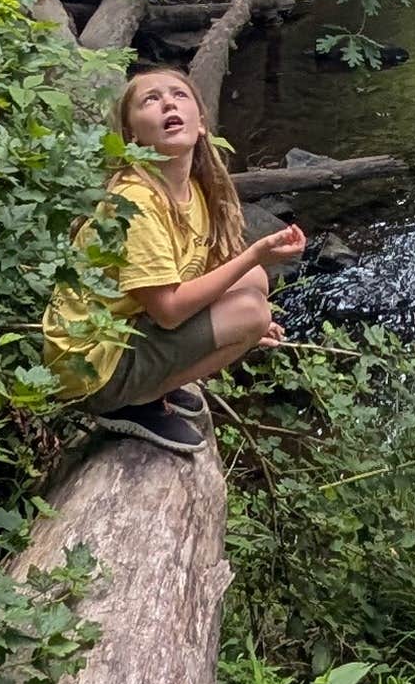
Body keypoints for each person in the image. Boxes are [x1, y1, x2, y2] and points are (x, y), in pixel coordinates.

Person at [43, 65, 306, 454]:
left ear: (200, 124)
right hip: (93, 370)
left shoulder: (194, 191)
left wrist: (241, 322)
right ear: (131, 134)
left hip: (127, 328)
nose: (168, 102)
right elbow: (168, 311)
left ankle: (151, 385)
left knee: (254, 285)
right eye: (151, 99)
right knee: (251, 309)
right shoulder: (135, 202)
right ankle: (130, 404)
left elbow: (199, 280)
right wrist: (255, 257)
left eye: (179, 95)